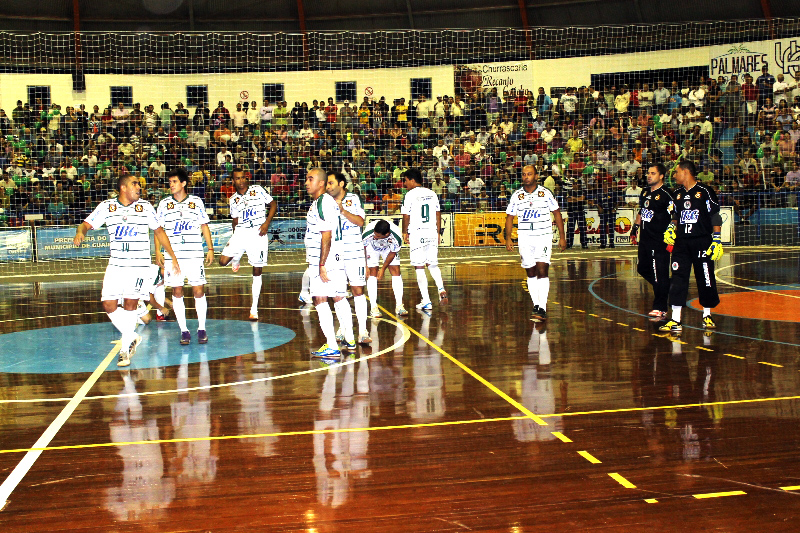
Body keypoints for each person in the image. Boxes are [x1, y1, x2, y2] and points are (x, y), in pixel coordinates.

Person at [73, 174, 181, 367]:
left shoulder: (145, 207)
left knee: (131, 303)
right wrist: (80, 232)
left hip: (138, 265)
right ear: (123, 188)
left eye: (139, 184)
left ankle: (124, 351)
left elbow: (159, 232)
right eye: (135, 184)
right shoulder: (107, 206)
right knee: (108, 304)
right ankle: (131, 336)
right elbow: (86, 224)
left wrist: (172, 256)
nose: (139, 187)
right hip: (116, 264)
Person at [660, 160, 722, 333]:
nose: (674, 175)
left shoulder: (705, 191)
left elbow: (715, 216)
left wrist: (716, 239)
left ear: (686, 172)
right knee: (678, 278)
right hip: (681, 243)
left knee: (705, 277)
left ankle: (707, 314)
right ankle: (675, 319)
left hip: (701, 241)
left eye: (676, 172)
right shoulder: (677, 194)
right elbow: (675, 215)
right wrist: (671, 227)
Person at [155, 168, 215, 345]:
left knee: (198, 290)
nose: (171, 185)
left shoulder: (196, 202)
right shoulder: (164, 204)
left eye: (174, 182)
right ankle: (184, 331)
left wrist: (210, 249)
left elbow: (204, 226)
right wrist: (158, 251)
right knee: (177, 290)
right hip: (174, 256)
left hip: (195, 254)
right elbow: (158, 230)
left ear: (183, 183)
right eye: (170, 182)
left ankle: (202, 328)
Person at [504, 165, 567, 321]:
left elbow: (557, 214)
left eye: (530, 174)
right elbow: (510, 217)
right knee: (530, 272)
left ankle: (543, 308)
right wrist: (508, 238)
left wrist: (562, 237)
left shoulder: (545, 193)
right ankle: (536, 305)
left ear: (536, 176)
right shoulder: (516, 195)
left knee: (542, 270)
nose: (526, 177)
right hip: (525, 237)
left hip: (543, 236)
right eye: (524, 174)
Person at [304, 168, 355, 359]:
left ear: (321, 183)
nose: (307, 183)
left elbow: (326, 235)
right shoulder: (329, 202)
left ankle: (332, 346)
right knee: (339, 297)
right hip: (337, 256)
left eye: (311, 179)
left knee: (320, 299)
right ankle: (349, 339)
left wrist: (321, 263)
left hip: (326, 258)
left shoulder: (321, 203)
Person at [218, 167, 277, 321]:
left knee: (257, 270)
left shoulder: (257, 190)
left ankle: (254, 309)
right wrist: (234, 237)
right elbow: (235, 220)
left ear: (247, 178)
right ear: (233, 181)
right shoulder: (233, 199)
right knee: (222, 262)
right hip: (241, 233)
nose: (241, 181)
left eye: (243, 177)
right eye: (237, 178)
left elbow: (273, 205)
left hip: (258, 233)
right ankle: (236, 257)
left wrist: (266, 223)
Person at [325, 171, 371, 345]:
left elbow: (360, 222)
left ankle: (363, 330)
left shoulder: (353, 199)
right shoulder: (325, 202)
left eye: (331, 183)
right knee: (338, 292)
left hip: (354, 251)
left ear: (341, 184)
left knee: (358, 291)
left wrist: (342, 211)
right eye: (327, 184)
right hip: (335, 252)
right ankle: (343, 328)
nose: (328, 186)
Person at [631, 163, 675, 320]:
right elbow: (643, 211)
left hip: (660, 240)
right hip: (645, 238)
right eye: (648, 173)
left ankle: (660, 307)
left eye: (653, 173)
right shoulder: (645, 192)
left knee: (659, 273)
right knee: (642, 268)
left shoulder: (666, 194)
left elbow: (675, 215)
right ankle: (667, 285)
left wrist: (672, 232)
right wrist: (635, 228)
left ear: (661, 176)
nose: (649, 176)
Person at [401, 168, 447, 312]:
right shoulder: (431, 193)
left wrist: (404, 232)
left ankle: (426, 301)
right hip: (432, 232)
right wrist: (438, 232)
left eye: (406, 180)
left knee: (419, 267)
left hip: (417, 233)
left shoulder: (409, 195)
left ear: (412, 180)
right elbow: (438, 213)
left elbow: (406, 216)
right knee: (433, 264)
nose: (405, 183)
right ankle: (441, 289)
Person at [362, 218, 406, 318]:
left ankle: (399, 305)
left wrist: (383, 269)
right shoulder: (368, 234)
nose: (375, 236)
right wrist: (366, 265)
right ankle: (373, 307)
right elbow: (363, 248)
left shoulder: (396, 238)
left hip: (388, 248)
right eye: (374, 234)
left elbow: (392, 252)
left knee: (395, 270)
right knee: (372, 272)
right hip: (371, 247)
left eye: (377, 236)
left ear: (386, 235)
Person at [565, 178, 588, 249]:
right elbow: (569, 200)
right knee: (570, 228)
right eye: (574, 184)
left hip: (580, 211)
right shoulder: (569, 191)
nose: (575, 185)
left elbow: (582, 199)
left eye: (576, 184)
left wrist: (574, 199)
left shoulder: (583, 191)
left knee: (582, 228)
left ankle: (584, 243)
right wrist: (577, 199)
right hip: (571, 212)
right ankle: (569, 244)